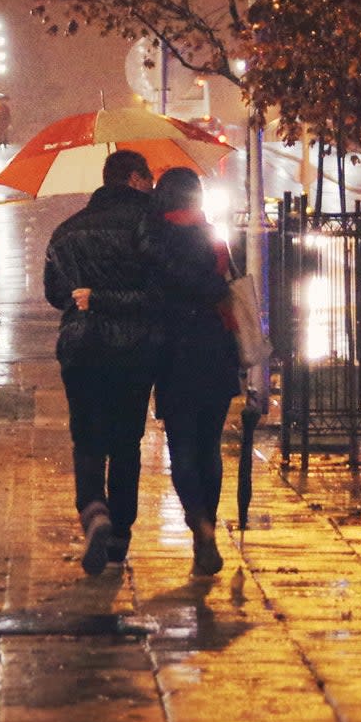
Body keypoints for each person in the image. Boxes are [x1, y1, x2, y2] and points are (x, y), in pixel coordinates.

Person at [44, 149, 160, 576]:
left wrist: (88, 295)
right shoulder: (149, 226)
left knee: (88, 438)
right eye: (148, 178)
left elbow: (56, 295)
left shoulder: (66, 231)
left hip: (81, 348)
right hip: (133, 348)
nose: (152, 186)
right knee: (126, 442)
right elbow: (158, 292)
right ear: (133, 178)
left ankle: (94, 510)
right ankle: (119, 536)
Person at [143, 166, 240, 576]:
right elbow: (230, 287)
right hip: (215, 350)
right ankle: (208, 527)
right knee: (209, 446)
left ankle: (199, 525)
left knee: (181, 445)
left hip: (173, 352)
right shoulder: (214, 237)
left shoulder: (152, 240)